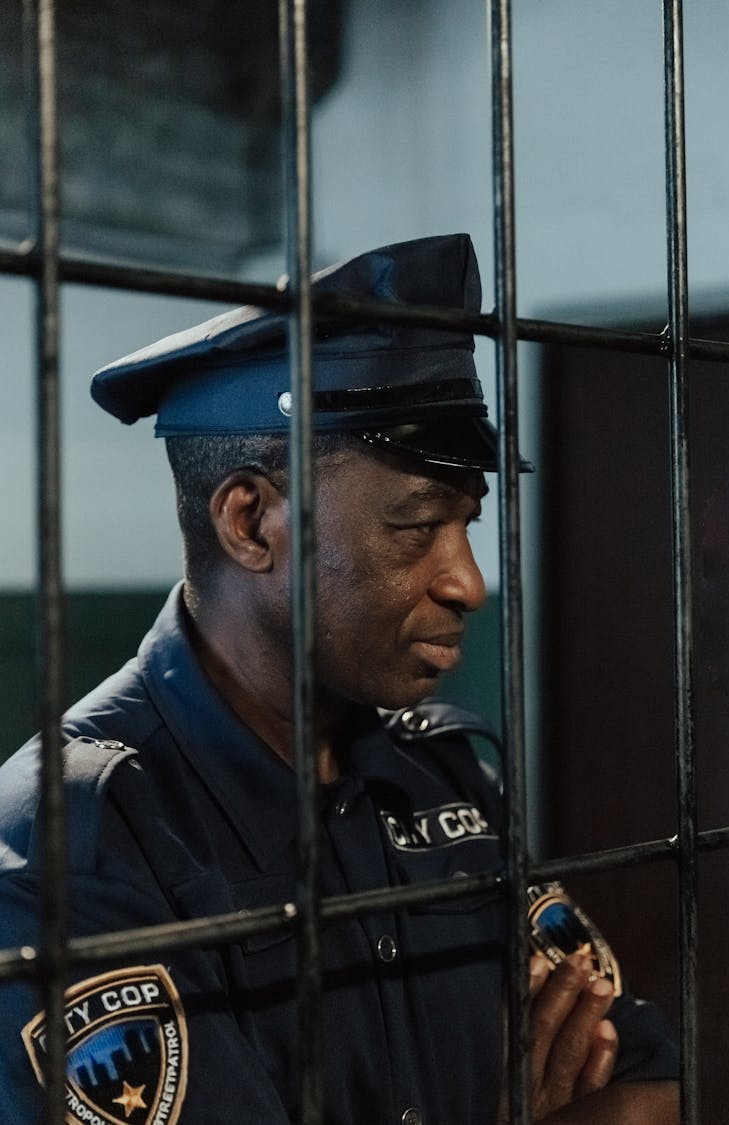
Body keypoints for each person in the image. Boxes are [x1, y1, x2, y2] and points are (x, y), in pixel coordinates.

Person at [0, 234, 678, 1124]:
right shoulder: (73, 846)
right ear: (252, 522)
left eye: (466, 523)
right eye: (416, 526)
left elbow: (652, 1080)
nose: (467, 580)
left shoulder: (437, 770)